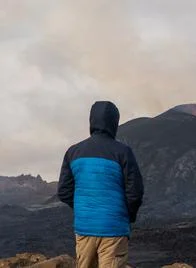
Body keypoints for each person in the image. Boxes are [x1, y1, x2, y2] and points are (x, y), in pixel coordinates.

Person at [57, 101, 144, 268]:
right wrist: (127, 215)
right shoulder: (123, 152)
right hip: (114, 229)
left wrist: (85, 208)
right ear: (114, 122)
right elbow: (135, 192)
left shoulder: (73, 152)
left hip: (85, 228)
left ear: (92, 120)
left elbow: (63, 191)